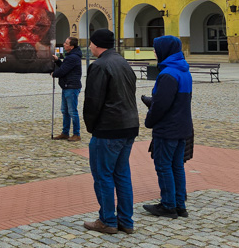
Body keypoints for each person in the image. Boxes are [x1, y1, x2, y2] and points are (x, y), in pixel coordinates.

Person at [82, 29, 139, 234]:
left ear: (97, 44)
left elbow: (93, 101)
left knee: (103, 175)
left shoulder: (99, 66)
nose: (89, 47)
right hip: (129, 125)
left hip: (109, 128)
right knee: (122, 175)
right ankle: (126, 221)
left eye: (90, 43)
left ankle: (107, 220)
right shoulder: (123, 62)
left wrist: (91, 126)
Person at [142, 35, 193, 219]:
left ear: (165, 50)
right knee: (177, 166)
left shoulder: (167, 74)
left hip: (168, 128)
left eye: (156, 49)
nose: (154, 52)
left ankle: (168, 205)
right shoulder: (183, 71)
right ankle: (180, 205)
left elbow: (161, 105)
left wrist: (149, 120)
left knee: (164, 166)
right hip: (182, 127)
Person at [52, 36, 83, 141]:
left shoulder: (73, 57)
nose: (64, 44)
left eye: (66, 43)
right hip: (67, 86)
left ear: (71, 46)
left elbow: (63, 70)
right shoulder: (70, 56)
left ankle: (76, 134)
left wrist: (54, 73)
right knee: (65, 111)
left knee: (72, 111)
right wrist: (57, 61)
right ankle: (65, 132)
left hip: (71, 87)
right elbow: (65, 66)